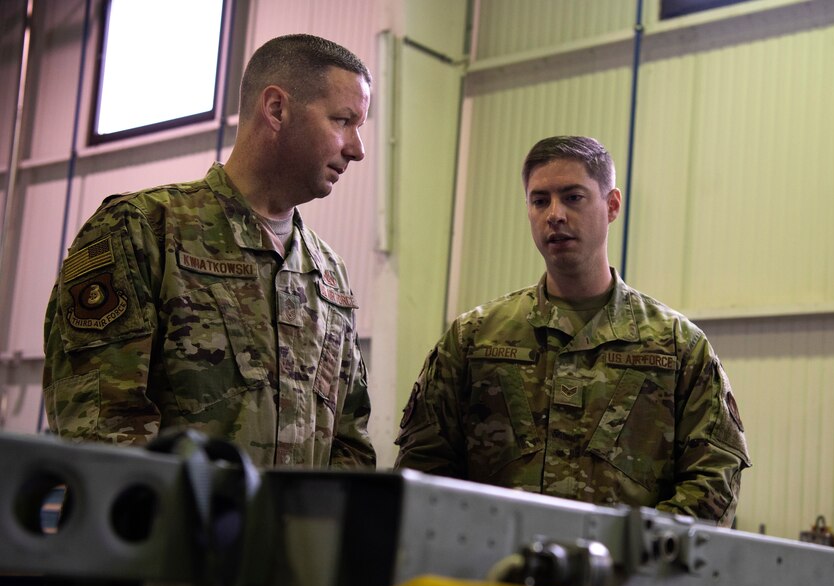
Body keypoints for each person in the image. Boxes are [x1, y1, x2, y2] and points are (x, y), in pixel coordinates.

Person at [42, 34, 375, 469]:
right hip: (175, 533)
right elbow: (101, 429)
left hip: (292, 536)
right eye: (342, 121)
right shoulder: (144, 228)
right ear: (277, 109)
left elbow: (350, 440)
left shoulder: (329, 273)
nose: (357, 149)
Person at [395, 135, 750, 526]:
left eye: (573, 197)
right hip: (497, 578)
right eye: (540, 200)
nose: (555, 214)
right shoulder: (476, 338)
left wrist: (631, 554)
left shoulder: (678, 347)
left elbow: (714, 478)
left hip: (623, 580)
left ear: (611, 205)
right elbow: (422, 468)